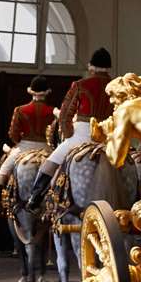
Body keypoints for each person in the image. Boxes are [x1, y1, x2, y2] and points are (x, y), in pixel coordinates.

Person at [27, 47, 113, 211]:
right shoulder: (117, 84)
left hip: (82, 133)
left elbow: (65, 114)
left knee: (51, 162)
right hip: (109, 137)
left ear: (91, 66)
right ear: (109, 67)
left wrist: (68, 135)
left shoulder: (81, 84)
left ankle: (34, 198)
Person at [0, 76, 56, 211]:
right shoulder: (52, 111)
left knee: (5, 168)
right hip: (46, 147)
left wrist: (18, 142)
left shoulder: (20, 110)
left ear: (31, 91)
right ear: (47, 92)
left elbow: (13, 134)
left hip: (24, 146)